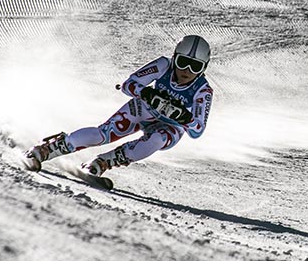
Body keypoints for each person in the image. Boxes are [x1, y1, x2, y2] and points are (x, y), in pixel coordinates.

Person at [25, 35, 213, 178]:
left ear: (203, 68)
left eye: (194, 66)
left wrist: (183, 117)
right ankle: (48, 150)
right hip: (144, 109)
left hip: (171, 125)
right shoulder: (163, 65)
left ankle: (104, 162)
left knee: (156, 140)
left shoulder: (203, 90)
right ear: (174, 58)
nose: (186, 71)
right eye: (182, 62)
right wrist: (147, 93)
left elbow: (197, 131)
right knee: (103, 134)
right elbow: (128, 85)